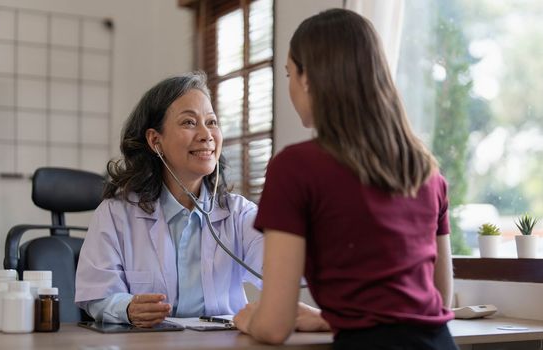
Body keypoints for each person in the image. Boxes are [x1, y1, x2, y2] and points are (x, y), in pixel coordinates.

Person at [234, 8, 458, 350]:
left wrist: (249, 320)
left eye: (289, 74)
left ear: (308, 79)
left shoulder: (295, 168)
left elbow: (275, 326)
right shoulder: (425, 171)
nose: (291, 86)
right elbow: (438, 301)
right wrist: (329, 317)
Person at [75, 72, 263, 327]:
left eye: (212, 122)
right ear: (155, 141)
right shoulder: (116, 214)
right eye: (189, 122)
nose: (206, 135)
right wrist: (127, 308)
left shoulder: (239, 213)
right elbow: (96, 294)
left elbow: (282, 271)